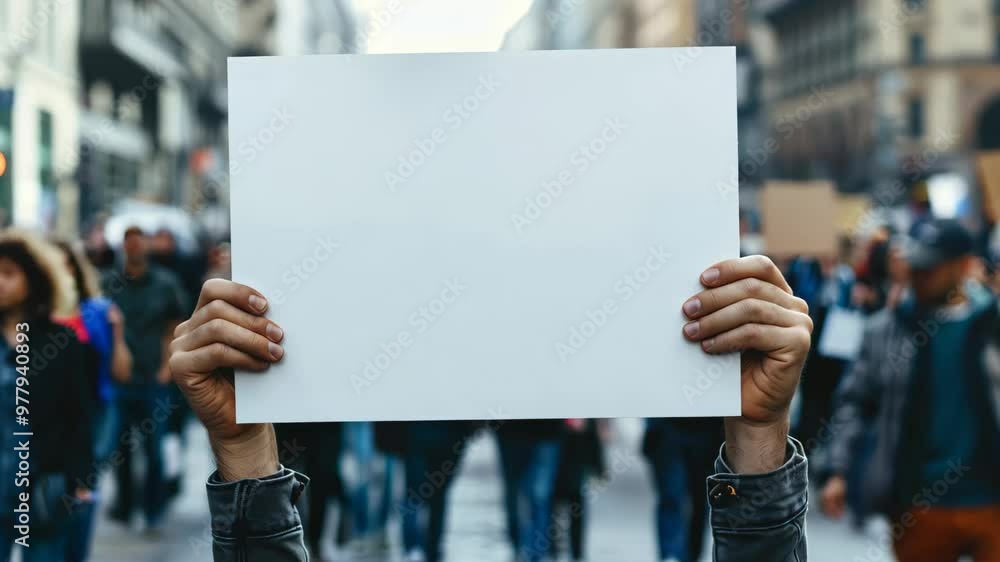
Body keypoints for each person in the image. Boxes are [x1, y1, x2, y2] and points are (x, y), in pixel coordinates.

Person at [167, 255, 814, 561]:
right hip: (477, 425)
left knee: (526, 502)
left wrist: (760, 434)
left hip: (528, 428)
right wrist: (244, 448)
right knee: (503, 501)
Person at [821, 219, 1000, 561]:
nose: (919, 277)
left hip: (992, 502)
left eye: (931, 268)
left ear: (962, 266)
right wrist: (837, 471)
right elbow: (855, 403)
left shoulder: (991, 324)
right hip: (917, 504)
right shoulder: (887, 331)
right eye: (916, 267)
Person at [0, 231, 94, 560]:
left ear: (33, 279)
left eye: (9, 273)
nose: (0, 282)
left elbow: (78, 412)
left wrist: (80, 477)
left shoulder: (61, 340)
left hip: (42, 487)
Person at [52, 240, 133, 561]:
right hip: (50, 416)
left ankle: (75, 551)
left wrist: (117, 331)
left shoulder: (99, 311)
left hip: (97, 410)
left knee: (86, 481)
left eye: (66, 263)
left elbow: (122, 371)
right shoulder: (33, 315)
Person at [103, 226, 187, 532]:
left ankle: (153, 510)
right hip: (119, 380)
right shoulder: (109, 282)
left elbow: (174, 324)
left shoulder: (165, 284)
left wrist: (168, 366)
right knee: (120, 451)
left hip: (153, 377)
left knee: (154, 451)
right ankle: (125, 507)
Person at [642, 417, 723, 562]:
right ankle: (671, 555)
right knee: (671, 495)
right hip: (668, 427)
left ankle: (689, 555)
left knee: (701, 499)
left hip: (709, 431)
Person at [495, 419, 565, 562]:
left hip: (525, 432)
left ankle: (529, 552)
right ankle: (528, 551)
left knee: (532, 496)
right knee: (535, 496)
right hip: (537, 432)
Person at [551, 418, 606, 562]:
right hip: (555, 460)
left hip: (576, 463)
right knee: (553, 509)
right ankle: (554, 551)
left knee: (576, 507)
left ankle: (576, 552)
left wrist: (599, 466)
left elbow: (592, 437)